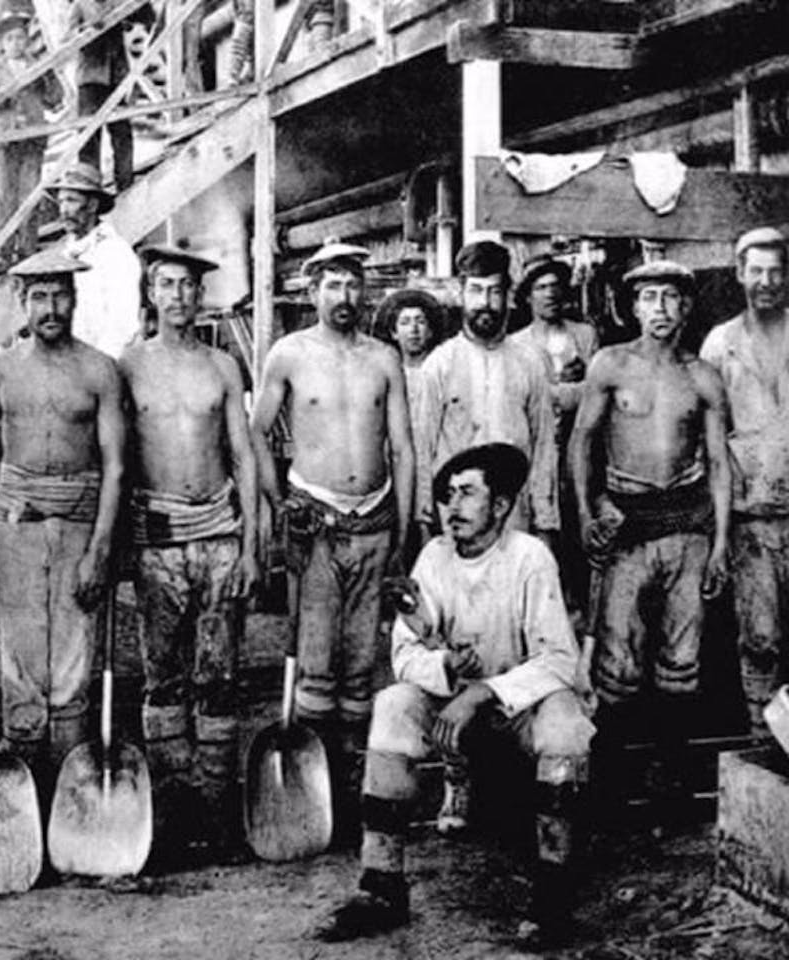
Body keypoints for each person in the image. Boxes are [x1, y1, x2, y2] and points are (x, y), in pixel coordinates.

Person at [316, 443, 595, 947]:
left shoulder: (530, 557)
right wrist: (445, 666)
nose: (453, 507)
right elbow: (404, 656)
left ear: (502, 505)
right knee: (393, 706)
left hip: (515, 709)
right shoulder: (435, 557)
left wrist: (485, 691)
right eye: (446, 496)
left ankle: (554, 889)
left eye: (468, 494)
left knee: (567, 722)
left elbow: (559, 659)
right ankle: (382, 884)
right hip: (451, 708)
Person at [250, 240, 415, 842]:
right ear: (310, 288)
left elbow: (401, 446)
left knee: (360, 667)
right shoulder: (288, 354)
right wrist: (280, 504)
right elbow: (257, 434)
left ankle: (349, 794)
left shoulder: (384, 358)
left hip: (374, 521)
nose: (345, 297)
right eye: (333, 285)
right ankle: (309, 791)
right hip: (315, 523)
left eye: (353, 284)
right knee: (314, 665)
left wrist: (405, 525)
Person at [570, 260, 730, 822]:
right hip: (627, 528)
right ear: (632, 307)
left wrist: (720, 542)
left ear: (686, 308)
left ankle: (672, 781)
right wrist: (590, 513)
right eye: (650, 298)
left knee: (681, 660)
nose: (660, 309)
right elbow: (582, 443)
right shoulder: (610, 365)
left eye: (671, 298)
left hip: (687, 527)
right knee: (617, 661)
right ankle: (611, 782)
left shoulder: (703, 375)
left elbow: (718, 463)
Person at [119, 243, 258, 860]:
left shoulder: (224, 367)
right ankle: (172, 811)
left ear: (201, 297)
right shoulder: (127, 366)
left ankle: (219, 807)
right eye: (167, 285)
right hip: (160, 539)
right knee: (164, 677)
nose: (178, 297)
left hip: (220, 535)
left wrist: (254, 542)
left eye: (188, 286)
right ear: (151, 293)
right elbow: (116, 462)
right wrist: (122, 549)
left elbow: (244, 455)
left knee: (220, 676)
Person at [0, 248, 124, 790]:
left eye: (60, 294)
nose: (51, 307)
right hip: (16, 526)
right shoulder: (3, 368)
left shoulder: (99, 371)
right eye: (39, 296)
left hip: (80, 525)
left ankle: (70, 795)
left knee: (71, 667)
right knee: (19, 663)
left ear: (76, 297)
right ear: (22, 301)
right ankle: (23, 798)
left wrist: (100, 549)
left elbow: (115, 466)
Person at [700, 226, 789, 736]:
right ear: (739, 274)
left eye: (776, 271)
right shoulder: (721, 344)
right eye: (756, 271)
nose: (767, 282)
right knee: (760, 636)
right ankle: (762, 736)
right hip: (750, 519)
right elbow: (710, 437)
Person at [418, 241, 558, 546]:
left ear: (507, 296)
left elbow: (544, 448)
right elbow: (422, 450)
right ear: (461, 293)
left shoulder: (530, 362)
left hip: (515, 519)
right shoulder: (440, 364)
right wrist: (424, 523)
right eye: (476, 291)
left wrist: (545, 523)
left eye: (495, 292)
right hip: (455, 521)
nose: (486, 302)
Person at [510, 254, 599, 605]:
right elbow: (526, 400)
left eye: (555, 286)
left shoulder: (585, 335)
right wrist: (565, 390)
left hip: (580, 447)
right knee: (540, 525)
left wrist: (558, 391)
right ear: (528, 296)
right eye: (540, 287)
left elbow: (597, 392)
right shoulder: (517, 344)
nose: (549, 294)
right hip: (537, 451)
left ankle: (580, 608)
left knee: (580, 522)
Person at [0, 9, 64, 264]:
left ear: (27, 41)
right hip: (8, 141)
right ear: (2, 45)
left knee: (31, 194)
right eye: (10, 39)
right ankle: (4, 253)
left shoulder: (38, 65)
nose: (16, 43)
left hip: (33, 139)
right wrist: (3, 95)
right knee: (7, 198)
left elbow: (54, 100)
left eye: (21, 38)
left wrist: (47, 77)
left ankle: (26, 249)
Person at [375, 287, 445, 564]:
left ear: (430, 330)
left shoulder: (441, 369)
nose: (413, 330)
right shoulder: (388, 374)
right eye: (405, 323)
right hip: (396, 465)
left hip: (435, 462)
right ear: (393, 332)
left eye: (420, 322)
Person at [48, 162, 143, 358]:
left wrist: (94, 370)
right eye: (61, 202)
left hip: (100, 365)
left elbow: (122, 325)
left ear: (92, 205)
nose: (64, 210)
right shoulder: (64, 253)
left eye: (71, 201)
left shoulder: (115, 253)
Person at [67, 1, 154, 193]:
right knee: (89, 134)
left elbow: (147, 17)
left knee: (122, 131)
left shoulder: (116, 2)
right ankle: (89, 184)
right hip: (91, 78)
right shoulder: (81, 5)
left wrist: (133, 13)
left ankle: (125, 183)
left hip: (116, 77)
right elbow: (68, 38)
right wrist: (86, 30)